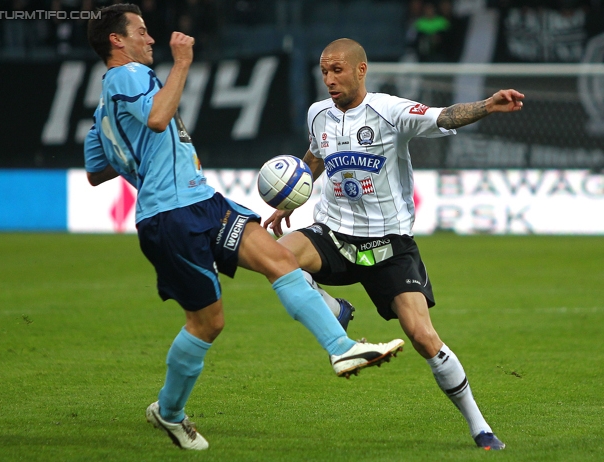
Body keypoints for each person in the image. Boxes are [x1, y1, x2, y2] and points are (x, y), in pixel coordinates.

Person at [83, 5, 404, 451]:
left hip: (201, 201)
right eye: (140, 31)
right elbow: (157, 118)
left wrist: (134, 150)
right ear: (116, 41)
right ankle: (169, 411)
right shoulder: (129, 77)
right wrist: (182, 63)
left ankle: (340, 345)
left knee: (278, 257)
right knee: (207, 323)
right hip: (171, 216)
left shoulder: (102, 110)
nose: (151, 38)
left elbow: (96, 170)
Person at [264, 38, 525, 451]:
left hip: (389, 245)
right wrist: (287, 199)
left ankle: (480, 426)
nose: (329, 80)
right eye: (324, 71)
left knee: (422, 337)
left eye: (338, 71)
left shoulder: (390, 111)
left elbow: (445, 116)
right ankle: (335, 311)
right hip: (332, 233)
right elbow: (314, 156)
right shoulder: (318, 114)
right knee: (273, 254)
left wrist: (486, 106)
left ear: (361, 70)